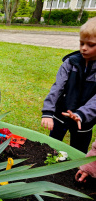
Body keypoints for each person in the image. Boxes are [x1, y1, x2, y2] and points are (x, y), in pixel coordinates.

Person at [41, 17, 96, 153]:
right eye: (81, 43)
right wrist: (48, 112)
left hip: (83, 120)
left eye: (90, 45)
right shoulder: (70, 63)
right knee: (51, 147)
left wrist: (82, 114)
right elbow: (57, 87)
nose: (84, 48)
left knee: (77, 152)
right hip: (61, 114)